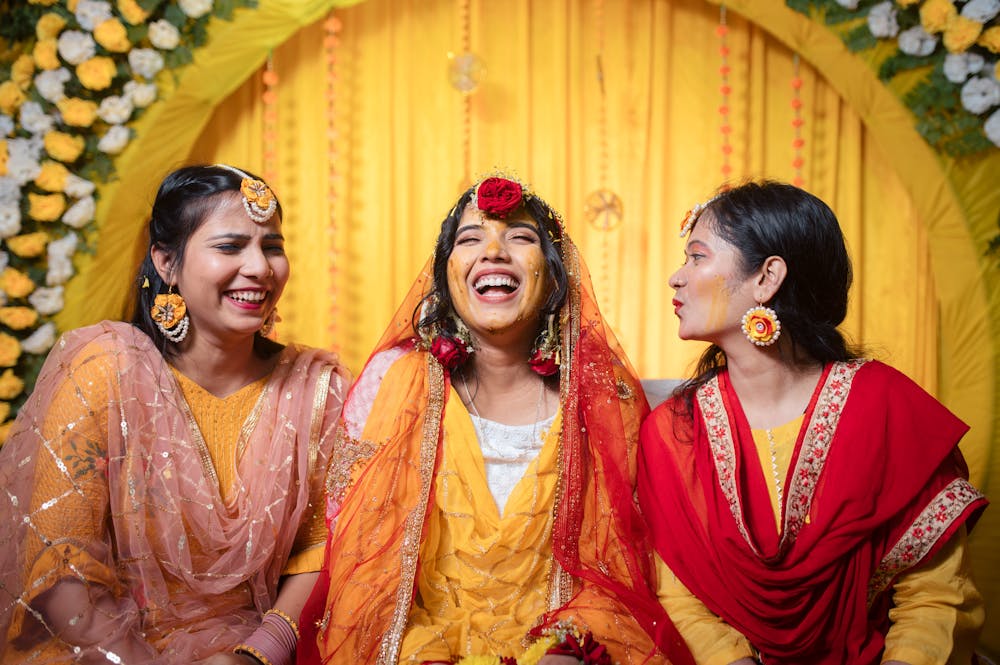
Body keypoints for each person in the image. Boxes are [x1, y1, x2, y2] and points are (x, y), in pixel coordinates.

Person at [296, 175, 694, 665]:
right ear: (445, 275)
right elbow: (363, 566)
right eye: (470, 239)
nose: (493, 252)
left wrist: (567, 649)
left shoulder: (604, 394)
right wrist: (422, 655)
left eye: (520, 237)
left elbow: (622, 569)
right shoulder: (395, 384)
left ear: (554, 274)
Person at [0, 164, 350, 664]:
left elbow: (320, 551)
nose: (260, 267)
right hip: (101, 647)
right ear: (166, 262)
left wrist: (255, 655)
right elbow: (60, 569)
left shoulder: (315, 389)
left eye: (272, 246)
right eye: (230, 247)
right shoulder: (104, 372)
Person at [637, 180, 987, 665]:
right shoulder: (675, 432)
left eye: (697, 257)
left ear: (767, 278)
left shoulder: (885, 408)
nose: (676, 278)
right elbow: (677, 596)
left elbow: (935, 599)